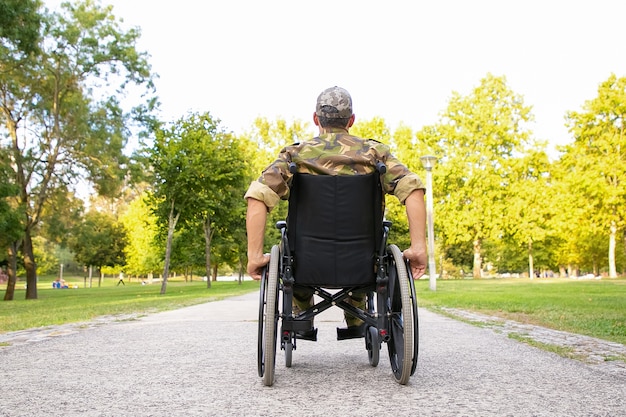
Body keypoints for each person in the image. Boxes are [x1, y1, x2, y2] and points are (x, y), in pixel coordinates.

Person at [245, 86, 428, 339]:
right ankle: (356, 312)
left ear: (316, 118)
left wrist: (254, 255)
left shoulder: (295, 155)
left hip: (306, 262)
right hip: (364, 261)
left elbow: (257, 196)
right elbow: (413, 189)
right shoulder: (375, 154)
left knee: (290, 257)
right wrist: (419, 247)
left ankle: (302, 315)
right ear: (351, 120)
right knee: (373, 257)